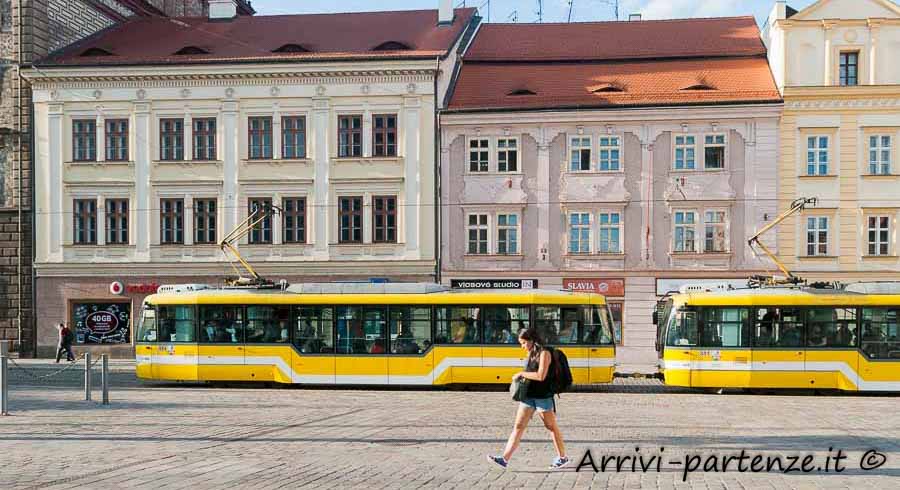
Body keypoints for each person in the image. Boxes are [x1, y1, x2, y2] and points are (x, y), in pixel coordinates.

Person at [487, 328, 569, 470]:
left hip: (543, 397)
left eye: (524, 343)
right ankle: (504, 459)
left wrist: (521, 374)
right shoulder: (531, 353)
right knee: (518, 426)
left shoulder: (545, 353)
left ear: (532, 341)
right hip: (528, 396)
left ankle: (562, 457)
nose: (522, 346)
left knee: (551, 427)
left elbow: (540, 376)